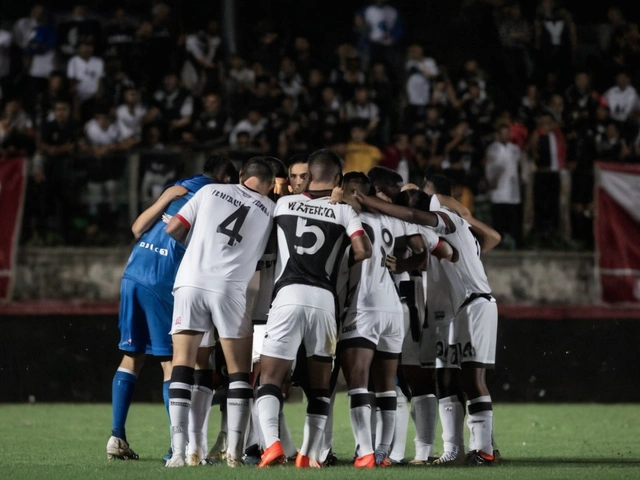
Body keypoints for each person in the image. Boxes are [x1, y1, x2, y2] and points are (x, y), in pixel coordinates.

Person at [106, 154, 235, 460]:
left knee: (131, 357)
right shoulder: (217, 197)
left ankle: (116, 437)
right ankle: (177, 447)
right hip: (162, 281)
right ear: (227, 180)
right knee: (173, 364)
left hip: (133, 273)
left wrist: (165, 197)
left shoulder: (179, 187)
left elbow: (138, 228)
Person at [256, 149, 372, 468]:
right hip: (324, 301)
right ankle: (308, 454)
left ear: (307, 177)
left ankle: (272, 445)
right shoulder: (343, 211)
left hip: (288, 296)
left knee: (270, 378)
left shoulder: (284, 204)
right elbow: (364, 250)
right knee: (320, 387)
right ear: (337, 179)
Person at [164, 157, 276, 468]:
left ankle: (178, 452)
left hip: (191, 282)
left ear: (241, 176)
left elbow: (174, 228)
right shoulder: (271, 209)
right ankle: (234, 454)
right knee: (238, 372)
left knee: (182, 367)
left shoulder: (210, 191)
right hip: (229, 290)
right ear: (269, 185)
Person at [408, 176, 502, 466]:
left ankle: (484, 448)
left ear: (431, 194)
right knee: (446, 376)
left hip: (473, 304)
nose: (411, 196)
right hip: (450, 311)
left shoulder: (445, 218)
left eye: (416, 191)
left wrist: (452, 206)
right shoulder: (445, 226)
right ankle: (455, 449)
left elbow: (414, 213)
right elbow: (494, 238)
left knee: (471, 378)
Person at [485, 124, 522, 248]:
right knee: (498, 219)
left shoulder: (515, 149)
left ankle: (515, 243)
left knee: (513, 219)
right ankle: (498, 243)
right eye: (503, 133)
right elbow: (491, 167)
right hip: (498, 190)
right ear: (498, 135)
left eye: (508, 133)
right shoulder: (493, 148)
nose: (506, 135)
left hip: (513, 190)